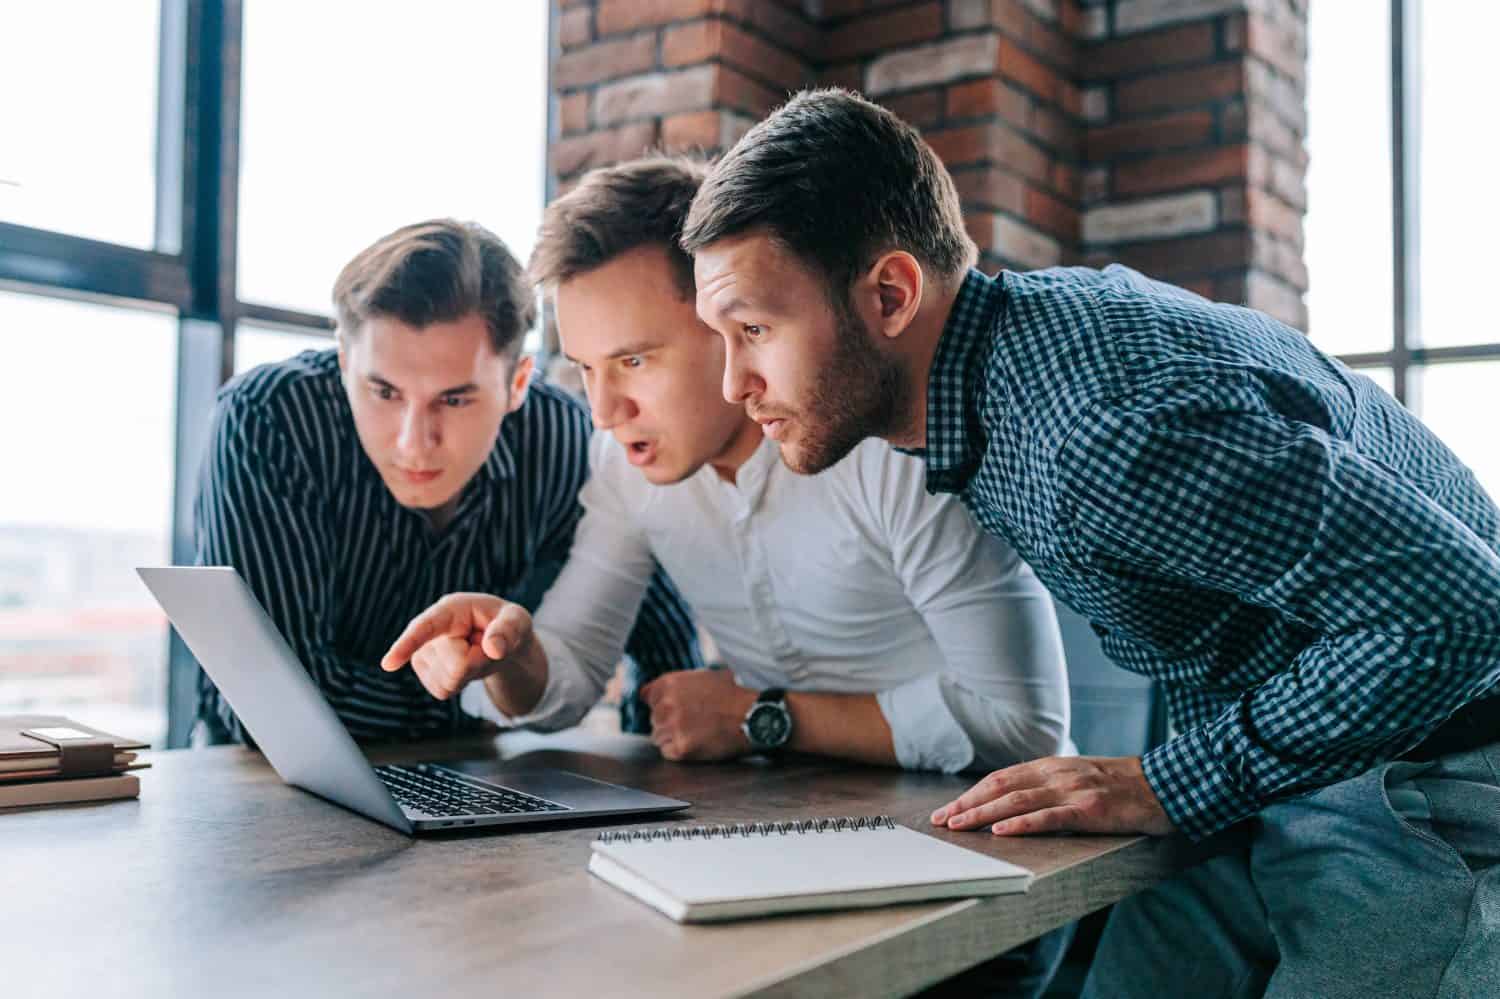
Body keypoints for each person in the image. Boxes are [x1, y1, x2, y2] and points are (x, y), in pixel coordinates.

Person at [679, 88, 1500, 998]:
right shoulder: (1012, 365)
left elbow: (1459, 613)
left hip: (1435, 764)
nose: (734, 382)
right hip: (1297, 766)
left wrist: (1169, 783)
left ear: (890, 294)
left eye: (754, 330)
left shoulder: (1089, 432)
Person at [381, 157, 1071, 778]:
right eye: (586, 369)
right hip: (785, 816)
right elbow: (566, 675)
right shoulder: (626, 467)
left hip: (984, 831)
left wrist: (761, 715)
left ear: (726, 318)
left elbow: (1024, 727)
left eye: (633, 361)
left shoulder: (888, 442)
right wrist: (512, 654)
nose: (604, 411)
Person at [193, 219, 700, 743]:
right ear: (346, 362)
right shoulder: (271, 418)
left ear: (517, 383)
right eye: (384, 393)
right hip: (262, 786)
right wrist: (487, 705)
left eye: (455, 400)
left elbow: (660, 640)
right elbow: (270, 702)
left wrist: (667, 763)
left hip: (485, 781)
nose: (414, 443)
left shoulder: (565, 439)